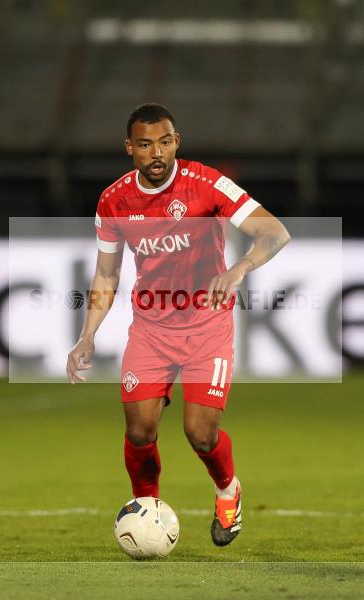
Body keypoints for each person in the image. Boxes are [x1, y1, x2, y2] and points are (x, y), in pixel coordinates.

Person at [66, 103, 290, 547]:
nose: (156, 153)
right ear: (129, 148)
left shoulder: (206, 184)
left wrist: (239, 268)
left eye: (165, 142)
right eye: (145, 144)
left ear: (176, 142)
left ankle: (228, 489)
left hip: (207, 325)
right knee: (139, 430)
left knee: (199, 433)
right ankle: (146, 509)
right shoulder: (113, 201)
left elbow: (275, 232)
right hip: (151, 329)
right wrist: (86, 335)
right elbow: (107, 274)